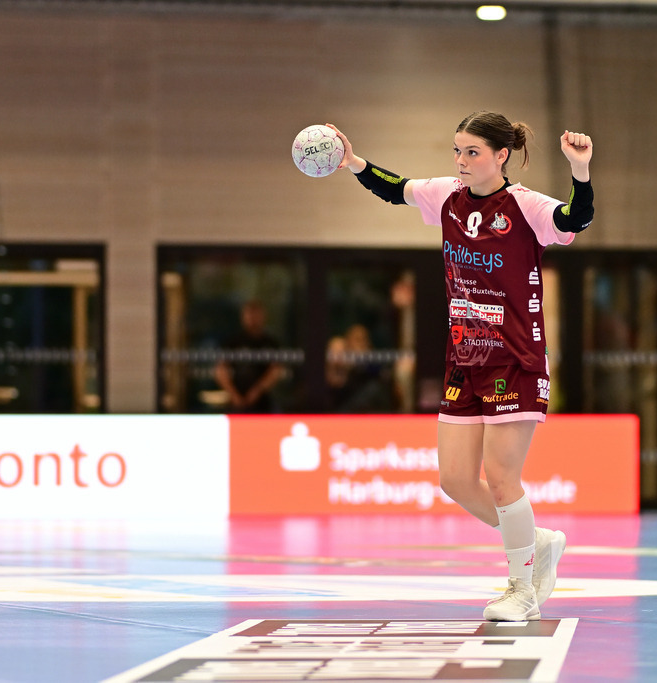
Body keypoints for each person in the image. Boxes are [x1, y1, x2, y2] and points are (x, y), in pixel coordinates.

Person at [327, 111, 593, 621]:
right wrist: (355, 162)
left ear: (501, 156)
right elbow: (396, 188)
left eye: (473, 152)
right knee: (454, 479)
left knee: (499, 476)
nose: (462, 161)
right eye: (457, 151)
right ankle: (536, 542)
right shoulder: (446, 195)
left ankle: (522, 588)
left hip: (515, 359)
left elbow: (574, 221)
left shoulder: (526, 206)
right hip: (463, 358)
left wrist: (580, 173)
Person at [214, 299, 282, 413]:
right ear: (243, 317)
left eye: (256, 315)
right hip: (236, 400)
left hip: (262, 402)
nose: (252, 319)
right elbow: (221, 370)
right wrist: (233, 394)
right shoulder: (233, 342)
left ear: (263, 317)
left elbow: (275, 371)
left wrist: (257, 391)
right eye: (249, 314)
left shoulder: (270, 343)